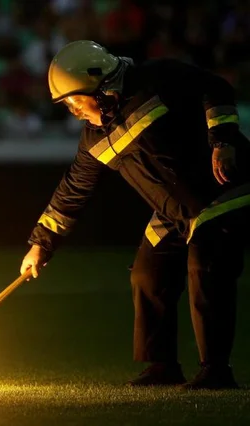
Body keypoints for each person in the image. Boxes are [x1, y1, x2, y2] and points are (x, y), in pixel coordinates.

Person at [20, 40, 250, 389]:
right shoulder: (93, 137)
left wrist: (223, 141)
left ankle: (216, 370)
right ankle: (162, 367)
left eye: (75, 100)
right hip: (174, 214)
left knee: (205, 267)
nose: (74, 109)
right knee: (147, 275)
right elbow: (73, 190)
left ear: (101, 88)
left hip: (222, 193)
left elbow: (215, 87)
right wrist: (41, 244)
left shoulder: (157, 78)